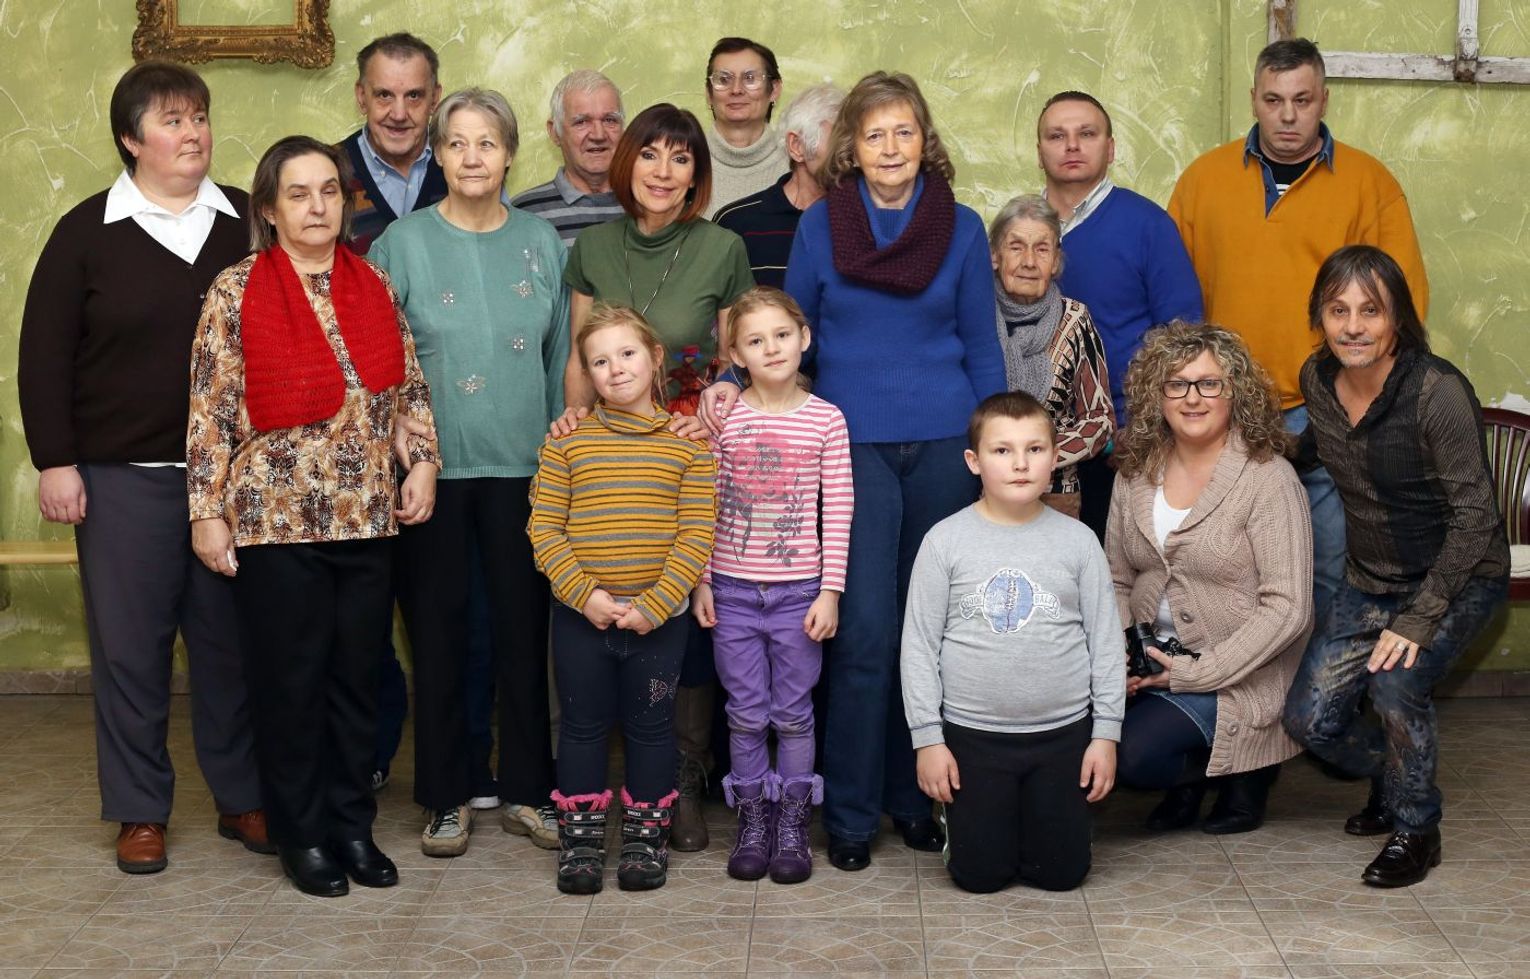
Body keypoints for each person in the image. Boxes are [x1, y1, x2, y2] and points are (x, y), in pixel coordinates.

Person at [745, 70, 1006, 871]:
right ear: (849, 149)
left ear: (925, 141)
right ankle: (852, 814)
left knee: (929, 632)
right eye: (874, 134)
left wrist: (999, 448)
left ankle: (914, 798)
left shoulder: (962, 227)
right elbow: (793, 331)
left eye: (905, 132)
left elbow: (981, 342)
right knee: (863, 633)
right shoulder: (821, 225)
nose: (891, 147)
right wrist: (735, 388)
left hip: (945, 445)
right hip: (849, 447)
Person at [17, 61, 266, 876]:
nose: (192, 133)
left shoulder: (248, 223)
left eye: (199, 117)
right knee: (130, 649)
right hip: (122, 475)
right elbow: (43, 357)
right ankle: (139, 810)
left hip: (233, 481)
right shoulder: (85, 232)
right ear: (131, 138)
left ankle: (243, 794)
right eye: (171, 120)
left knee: (231, 646)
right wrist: (57, 461)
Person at [186, 135, 439, 897]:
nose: (317, 205)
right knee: (291, 683)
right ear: (269, 208)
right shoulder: (235, 289)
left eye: (329, 190)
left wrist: (425, 461)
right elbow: (209, 411)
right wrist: (207, 512)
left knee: (358, 680)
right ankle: (302, 834)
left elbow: (409, 388)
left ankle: (352, 826)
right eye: (298, 193)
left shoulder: (372, 281)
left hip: (365, 515)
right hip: (275, 519)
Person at [369, 88, 569, 858]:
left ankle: (529, 791)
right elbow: (381, 364)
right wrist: (405, 453)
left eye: (487, 142)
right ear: (438, 155)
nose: (472, 156)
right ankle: (445, 795)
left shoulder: (542, 242)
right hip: (432, 474)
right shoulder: (402, 244)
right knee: (439, 636)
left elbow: (560, 359)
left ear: (510, 152)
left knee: (525, 636)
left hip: (527, 469)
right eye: (456, 143)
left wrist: (561, 463)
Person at [1168, 38, 1429, 621]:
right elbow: (1172, 301)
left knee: (1329, 565)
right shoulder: (1203, 180)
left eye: (1302, 100)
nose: (1288, 115)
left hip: (1329, 408)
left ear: (1324, 101)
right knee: (1228, 566)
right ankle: (1239, 678)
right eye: (1274, 100)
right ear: (1254, 100)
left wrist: (1367, 401)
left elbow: (1402, 303)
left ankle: (1321, 682)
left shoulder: (1369, 183)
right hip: (1224, 407)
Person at [561, 101, 753, 850]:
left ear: (697, 174)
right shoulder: (593, 246)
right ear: (627, 161)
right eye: (650, 154)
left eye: (681, 158)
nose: (663, 171)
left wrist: (711, 406)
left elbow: (735, 356)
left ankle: (683, 774)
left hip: (688, 444)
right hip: (607, 445)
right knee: (611, 585)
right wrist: (571, 425)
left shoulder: (722, 247)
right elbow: (580, 355)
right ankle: (609, 779)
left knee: (690, 604)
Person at [1284, 245, 1508, 887]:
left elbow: (1475, 518)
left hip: (1458, 578)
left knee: (1395, 688)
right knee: (1309, 721)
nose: (1353, 326)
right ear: (1319, 317)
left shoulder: (1438, 392)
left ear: (1398, 319)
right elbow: (1317, 445)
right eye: (1338, 310)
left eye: (1371, 311)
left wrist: (1418, 618)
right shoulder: (1317, 379)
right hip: (1370, 579)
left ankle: (1416, 827)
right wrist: (1254, 451)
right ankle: (1396, 770)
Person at [529, 304, 717, 895]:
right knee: (581, 728)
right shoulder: (567, 445)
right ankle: (581, 842)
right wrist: (583, 594)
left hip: (659, 621)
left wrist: (656, 604)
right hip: (580, 618)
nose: (616, 369)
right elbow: (544, 529)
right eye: (600, 361)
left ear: (656, 357)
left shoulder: (688, 448)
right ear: (586, 373)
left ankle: (644, 838)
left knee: (653, 729)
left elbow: (696, 534)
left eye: (628, 353)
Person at [902, 391, 1122, 893]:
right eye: (1002, 451)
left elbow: (1106, 642)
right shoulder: (944, 542)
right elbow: (919, 646)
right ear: (974, 461)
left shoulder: (1079, 541)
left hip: (1063, 734)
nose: (1020, 464)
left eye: (1035, 449)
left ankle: (1048, 824)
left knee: (1062, 875)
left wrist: (1105, 736)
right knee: (979, 876)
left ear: (1054, 456)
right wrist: (929, 740)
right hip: (973, 736)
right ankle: (963, 826)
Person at [1107, 322, 1313, 835]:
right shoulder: (1133, 473)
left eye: (1208, 383)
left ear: (1235, 392)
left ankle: (1246, 769)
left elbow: (1289, 607)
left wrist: (1195, 673)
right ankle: (1195, 770)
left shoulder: (1268, 478)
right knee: (1081, 740)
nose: (1192, 398)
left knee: (1132, 757)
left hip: (1241, 670)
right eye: (1176, 384)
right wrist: (1125, 653)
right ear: (1157, 396)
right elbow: (1116, 579)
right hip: (1154, 662)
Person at [691, 288, 853, 884]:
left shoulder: (827, 419)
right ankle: (753, 820)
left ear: (804, 338)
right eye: (755, 341)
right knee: (744, 713)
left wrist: (830, 591)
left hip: (799, 594)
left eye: (782, 335)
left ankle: (792, 823)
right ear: (736, 354)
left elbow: (838, 508)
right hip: (733, 593)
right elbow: (704, 501)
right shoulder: (726, 417)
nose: (772, 348)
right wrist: (702, 581)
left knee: (793, 714)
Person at [1035, 91, 1202, 539]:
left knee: (1117, 567)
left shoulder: (1149, 225)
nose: (1072, 145)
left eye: (1086, 134)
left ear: (1110, 148)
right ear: (1039, 152)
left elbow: (1182, 339)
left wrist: (1145, 424)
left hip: (1122, 443)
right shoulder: (1022, 229)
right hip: (1034, 445)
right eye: (1057, 136)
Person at [987, 195, 1113, 518]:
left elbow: (1100, 420)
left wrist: (1041, 454)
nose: (1029, 261)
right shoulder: (976, 315)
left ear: (1055, 261)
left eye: (1042, 249)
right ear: (994, 256)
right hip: (981, 491)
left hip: (1056, 494)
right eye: (1016, 247)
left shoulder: (1075, 319)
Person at [714, 84, 845, 289]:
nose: (849, 152)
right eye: (839, 140)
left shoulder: (861, 219)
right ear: (796, 146)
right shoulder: (735, 223)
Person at [341, 32, 447, 256]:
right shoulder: (328, 171)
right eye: (384, 95)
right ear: (362, 97)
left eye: (414, 95)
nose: (399, 114)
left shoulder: (464, 167)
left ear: (435, 99)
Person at [511, 69, 626, 247]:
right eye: (581, 122)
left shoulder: (648, 205)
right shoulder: (523, 214)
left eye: (609, 120)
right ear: (555, 132)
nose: (598, 134)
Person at [702, 37, 789, 219]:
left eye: (750, 78)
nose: (736, 90)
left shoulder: (796, 165)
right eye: (723, 79)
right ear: (709, 93)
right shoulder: (683, 161)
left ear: (774, 90)